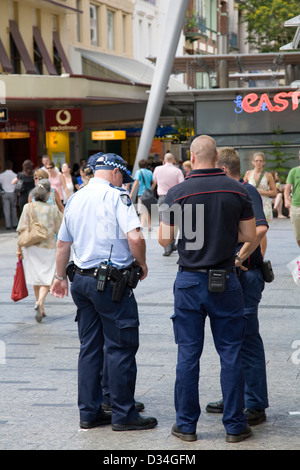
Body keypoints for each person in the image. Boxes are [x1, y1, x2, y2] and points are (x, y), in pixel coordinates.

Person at [158, 135, 256, 443]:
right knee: (231, 352)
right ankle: (235, 426)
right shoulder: (237, 190)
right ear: (216, 157)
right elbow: (249, 234)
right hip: (226, 279)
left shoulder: (176, 192)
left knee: (188, 354)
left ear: (191, 156)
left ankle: (186, 426)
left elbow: (164, 239)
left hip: (189, 280)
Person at [50, 152, 158, 432]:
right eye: (122, 176)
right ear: (115, 172)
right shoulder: (116, 197)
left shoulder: (75, 198)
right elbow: (134, 236)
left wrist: (59, 277)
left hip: (81, 281)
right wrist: (142, 263)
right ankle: (124, 414)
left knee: (89, 348)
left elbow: (63, 245)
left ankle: (90, 412)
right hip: (111, 284)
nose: (123, 182)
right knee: (121, 347)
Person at [206, 147, 269, 426]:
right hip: (231, 276)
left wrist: (238, 257)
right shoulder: (228, 192)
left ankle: (254, 403)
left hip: (247, 275)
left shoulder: (247, 191)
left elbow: (261, 228)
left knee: (247, 339)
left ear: (221, 168)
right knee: (230, 341)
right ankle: (235, 397)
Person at [16, 179, 63, 321]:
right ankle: (39, 302)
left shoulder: (27, 207)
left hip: (30, 247)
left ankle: (41, 309)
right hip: (47, 247)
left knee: (37, 277)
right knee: (47, 279)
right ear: (48, 194)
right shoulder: (52, 209)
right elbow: (59, 228)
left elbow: (20, 229)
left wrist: (19, 249)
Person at [244, 152, 277, 257]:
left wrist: (260, 192)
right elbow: (242, 187)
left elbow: (274, 192)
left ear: (264, 163)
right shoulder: (248, 174)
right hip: (252, 204)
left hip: (264, 205)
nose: (258, 163)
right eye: (257, 160)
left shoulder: (268, 176)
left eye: (261, 161)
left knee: (262, 230)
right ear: (253, 162)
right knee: (252, 229)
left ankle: (262, 255)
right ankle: (251, 253)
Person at [152, 152, 184, 256]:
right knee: (175, 222)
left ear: (164, 161)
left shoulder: (157, 169)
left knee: (164, 222)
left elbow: (154, 180)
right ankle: (172, 243)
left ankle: (167, 249)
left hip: (162, 198)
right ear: (174, 161)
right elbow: (182, 185)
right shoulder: (177, 171)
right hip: (175, 199)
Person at [130, 159, 153, 231]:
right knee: (145, 209)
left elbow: (136, 182)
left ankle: (143, 226)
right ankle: (148, 226)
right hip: (148, 193)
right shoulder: (149, 172)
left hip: (141, 193)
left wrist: (131, 193)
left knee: (142, 210)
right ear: (146, 165)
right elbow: (154, 182)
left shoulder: (138, 172)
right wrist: (151, 188)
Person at [284, 151, 300, 247]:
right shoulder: (294, 171)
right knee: (298, 237)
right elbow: (287, 188)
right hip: (296, 207)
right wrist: (286, 200)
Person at [0, 160, 18, 230]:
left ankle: (8, 225)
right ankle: (15, 224)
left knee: (6, 209)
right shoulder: (15, 175)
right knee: (13, 209)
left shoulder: (1, 175)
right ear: (11, 166)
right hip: (13, 192)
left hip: (5, 193)